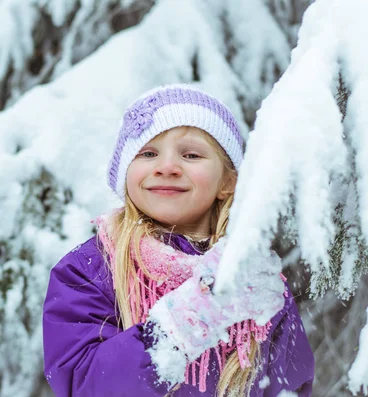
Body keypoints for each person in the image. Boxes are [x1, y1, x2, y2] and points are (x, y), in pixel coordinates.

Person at [42, 84, 314, 396]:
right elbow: (83, 382)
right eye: (148, 153)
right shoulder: (90, 270)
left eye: (191, 155)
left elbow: (289, 386)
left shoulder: (254, 281)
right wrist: (179, 326)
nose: (167, 167)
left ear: (228, 181)